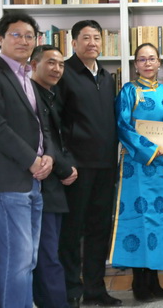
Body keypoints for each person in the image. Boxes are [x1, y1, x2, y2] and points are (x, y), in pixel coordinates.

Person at [0, 13, 54, 308]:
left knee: (28, 258)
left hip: (33, 180)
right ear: (0, 39)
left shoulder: (26, 76)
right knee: (16, 260)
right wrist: (32, 160)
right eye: (16, 35)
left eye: (29, 36)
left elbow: (39, 125)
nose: (23, 41)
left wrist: (47, 157)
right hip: (7, 180)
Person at [110, 43, 163, 302]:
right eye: (142, 59)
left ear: (159, 62)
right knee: (139, 220)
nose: (147, 63)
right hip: (138, 166)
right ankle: (139, 283)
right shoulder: (128, 91)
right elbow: (122, 126)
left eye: (152, 59)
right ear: (136, 64)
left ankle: (155, 281)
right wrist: (152, 150)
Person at [56, 20, 120, 307]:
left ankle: (95, 289)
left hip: (105, 166)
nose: (92, 43)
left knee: (99, 230)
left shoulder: (106, 76)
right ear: (73, 43)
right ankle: (71, 291)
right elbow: (55, 123)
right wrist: (65, 162)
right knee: (72, 232)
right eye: (86, 38)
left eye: (97, 37)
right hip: (76, 169)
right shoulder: (64, 73)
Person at [30, 45, 79, 308]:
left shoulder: (51, 95)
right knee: (48, 252)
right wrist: (65, 168)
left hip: (55, 183)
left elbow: (59, 138)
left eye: (61, 64)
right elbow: (42, 139)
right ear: (33, 65)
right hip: (41, 183)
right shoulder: (30, 95)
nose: (57, 69)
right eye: (51, 63)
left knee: (53, 249)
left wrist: (68, 166)